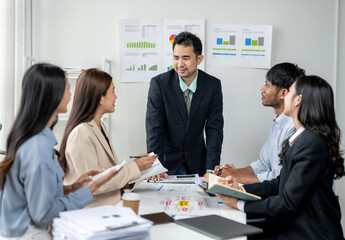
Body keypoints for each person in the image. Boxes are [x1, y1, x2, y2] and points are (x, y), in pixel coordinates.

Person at [217, 75, 345, 239]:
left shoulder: (312, 143)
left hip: (309, 232)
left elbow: (288, 202)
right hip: (291, 225)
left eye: (290, 91)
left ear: (298, 99)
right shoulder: (302, 138)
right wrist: (239, 189)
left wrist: (240, 204)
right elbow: (280, 183)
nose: (285, 95)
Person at [0, 63, 118, 239]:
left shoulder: (36, 139)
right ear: (53, 95)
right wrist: (89, 190)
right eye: (68, 89)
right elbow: (43, 213)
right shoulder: (37, 147)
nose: (71, 95)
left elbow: (37, 194)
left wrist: (72, 188)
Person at [60, 68, 157, 207]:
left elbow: (108, 172)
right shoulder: (81, 133)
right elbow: (95, 183)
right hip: (91, 213)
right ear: (100, 98)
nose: (115, 96)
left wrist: (142, 169)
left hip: (109, 206)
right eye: (113, 91)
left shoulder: (99, 126)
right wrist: (135, 167)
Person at [146, 31, 224, 176]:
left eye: (186, 58)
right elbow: (154, 129)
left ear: (199, 59)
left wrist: (211, 168)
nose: (180, 64)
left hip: (198, 164)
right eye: (176, 57)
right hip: (166, 164)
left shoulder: (212, 85)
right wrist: (155, 166)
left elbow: (215, 128)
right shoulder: (159, 85)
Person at [213, 63, 305, 184]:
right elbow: (262, 165)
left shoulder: (295, 127)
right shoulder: (278, 123)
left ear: (283, 93)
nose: (262, 88)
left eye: (267, 85)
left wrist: (235, 178)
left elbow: (280, 176)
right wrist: (231, 174)